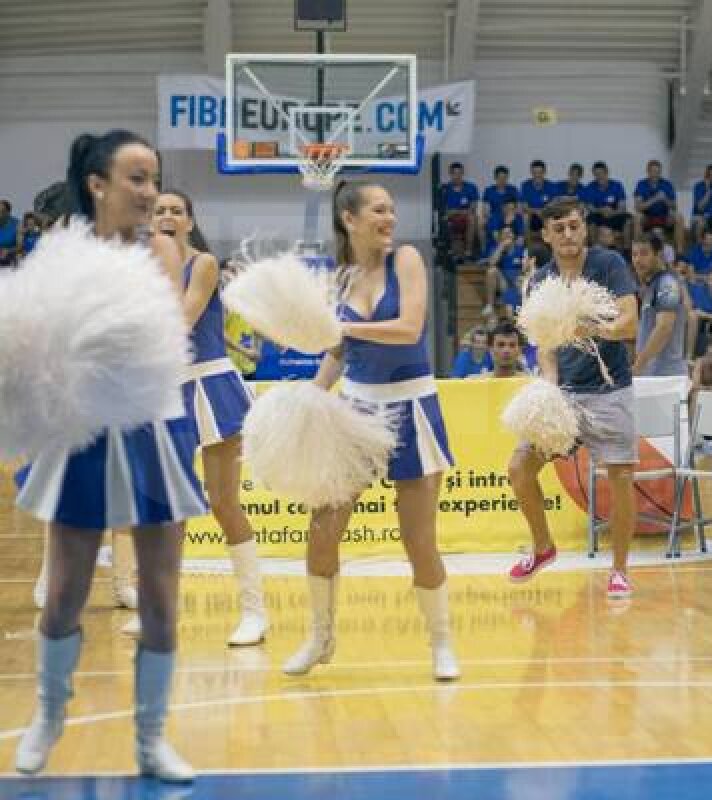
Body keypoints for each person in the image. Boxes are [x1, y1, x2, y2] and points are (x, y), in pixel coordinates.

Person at [14, 130, 206, 782]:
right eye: (137, 179)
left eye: (155, 179)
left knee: (160, 595)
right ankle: (48, 715)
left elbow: (166, 339)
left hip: (153, 429)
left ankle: (151, 739)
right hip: (83, 433)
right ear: (98, 184)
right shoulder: (60, 254)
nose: (151, 193)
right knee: (65, 595)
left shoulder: (163, 251)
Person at [284, 181, 459, 681]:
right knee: (321, 530)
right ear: (349, 218)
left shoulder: (406, 260)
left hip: (411, 408)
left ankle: (441, 644)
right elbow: (337, 354)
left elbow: (409, 329)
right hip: (354, 412)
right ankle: (320, 637)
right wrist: (312, 396)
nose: (390, 218)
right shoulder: (339, 279)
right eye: (379, 210)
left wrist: (343, 330)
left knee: (418, 540)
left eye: (392, 209)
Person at [506, 197, 640, 598]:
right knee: (519, 468)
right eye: (559, 228)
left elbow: (629, 323)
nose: (568, 234)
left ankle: (619, 570)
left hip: (609, 390)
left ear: (585, 228)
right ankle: (543, 547)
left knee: (620, 478)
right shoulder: (539, 281)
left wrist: (588, 327)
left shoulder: (609, 264)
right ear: (546, 234)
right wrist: (548, 386)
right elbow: (543, 344)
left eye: (574, 226)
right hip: (564, 396)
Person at [152, 190, 268, 646]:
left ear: (188, 221)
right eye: (159, 210)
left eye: (176, 211)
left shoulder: (203, 263)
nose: (167, 216)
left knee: (223, 502)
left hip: (211, 387)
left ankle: (254, 612)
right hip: (168, 390)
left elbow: (181, 320)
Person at [631, 233, 689, 377]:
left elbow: (664, 327)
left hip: (665, 377)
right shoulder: (653, 286)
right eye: (634, 255)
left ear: (658, 255)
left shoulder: (667, 283)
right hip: (653, 375)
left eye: (644, 253)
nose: (637, 260)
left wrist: (638, 365)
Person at [633, 159, 684, 253]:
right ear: (648, 172)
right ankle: (637, 253)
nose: (655, 174)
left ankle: (680, 252)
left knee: (679, 217)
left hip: (664, 217)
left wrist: (665, 199)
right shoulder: (641, 184)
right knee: (637, 217)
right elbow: (638, 207)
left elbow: (674, 206)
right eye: (653, 171)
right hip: (647, 217)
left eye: (658, 172)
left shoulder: (667, 184)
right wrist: (655, 199)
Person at [483, 225, 532, 318]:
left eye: (509, 233)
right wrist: (501, 247)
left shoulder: (521, 249)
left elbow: (527, 268)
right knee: (491, 271)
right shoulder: (496, 249)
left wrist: (522, 276)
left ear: (513, 236)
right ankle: (490, 305)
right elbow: (491, 263)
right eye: (504, 234)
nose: (507, 235)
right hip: (504, 282)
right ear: (501, 237)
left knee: (524, 280)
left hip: (518, 282)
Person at [583, 161, 632, 246]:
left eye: (601, 173)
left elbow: (622, 207)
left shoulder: (617, 185)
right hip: (599, 215)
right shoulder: (590, 187)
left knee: (628, 219)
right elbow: (590, 207)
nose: (599, 177)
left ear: (607, 172)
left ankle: (627, 250)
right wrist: (601, 210)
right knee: (590, 220)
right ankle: (595, 250)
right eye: (596, 174)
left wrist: (613, 212)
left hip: (615, 215)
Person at [441, 161, 480, 258]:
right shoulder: (445, 189)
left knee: (472, 218)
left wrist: (456, 211)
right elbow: (445, 211)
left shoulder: (471, 187)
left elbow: (473, 208)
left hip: (466, 218)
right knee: (445, 221)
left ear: (463, 174)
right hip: (451, 219)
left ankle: (468, 250)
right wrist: (456, 212)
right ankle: (453, 251)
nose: (457, 176)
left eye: (459, 173)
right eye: (454, 173)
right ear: (450, 174)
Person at [520, 159, 559, 233]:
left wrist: (544, 211)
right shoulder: (525, 185)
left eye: (540, 172)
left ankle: (552, 241)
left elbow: (555, 205)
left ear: (544, 172)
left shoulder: (551, 186)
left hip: (547, 214)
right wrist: (536, 211)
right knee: (525, 217)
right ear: (531, 172)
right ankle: (528, 242)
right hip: (532, 214)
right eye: (535, 172)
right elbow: (524, 206)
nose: (537, 175)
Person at [0, 200, 18, 266]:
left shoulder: (17, 224)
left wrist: (8, 250)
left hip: (12, 256)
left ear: (8, 212)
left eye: (2, 211)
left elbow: (20, 246)